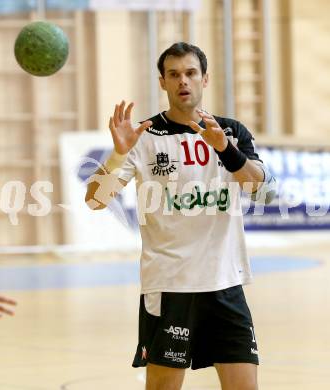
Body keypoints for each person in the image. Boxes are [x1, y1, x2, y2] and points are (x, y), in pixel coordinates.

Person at [85, 42, 276, 390]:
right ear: (162, 82)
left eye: (190, 73)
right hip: (170, 285)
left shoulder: (231, 131)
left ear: (205, 79)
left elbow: (261, 189)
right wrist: (116, 155)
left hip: (225, 283)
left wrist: (224, 149)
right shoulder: (143, 136)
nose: (182, 81)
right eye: (173, 75)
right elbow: (96, 200)